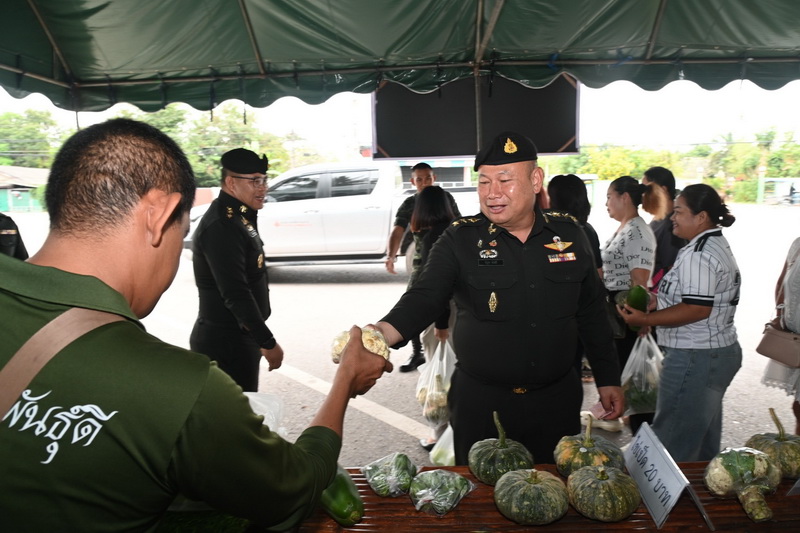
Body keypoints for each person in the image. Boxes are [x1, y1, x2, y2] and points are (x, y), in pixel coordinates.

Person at [0, 118, 392, 531]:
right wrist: (345, 380)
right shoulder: (179, 389)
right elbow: (294, 490)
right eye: (181, 231)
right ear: (158, 215)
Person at [372, 131, 623, 465]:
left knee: (552, 487)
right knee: (480, 494)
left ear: (535, 180)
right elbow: (424, 296)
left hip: (555, 402)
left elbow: (591, 312)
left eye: (505, 180)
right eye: (484, 182)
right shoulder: (460, 239)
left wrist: (608, 379)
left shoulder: (569, 233)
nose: (492, 193)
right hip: (481, 405)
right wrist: (378, 335)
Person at [619, 183, 741, 462]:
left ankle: (673, 492)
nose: (672, 217)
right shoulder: (708, 244)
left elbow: (697, 309)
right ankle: (699, 488)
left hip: (696, 357)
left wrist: (646, 318)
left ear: (701, 217)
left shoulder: (700, 254)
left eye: (679, 212)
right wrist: (657, 301)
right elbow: (694, 299)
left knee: (673, 443)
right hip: (710, 353)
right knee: (700, 440)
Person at [190, 148, 283, 392]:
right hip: (225, 343)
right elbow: (236, 292)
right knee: (234, 412)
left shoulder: (240, 216)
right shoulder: (222, 226)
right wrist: (267, 342)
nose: (263, 188)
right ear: (231, 182)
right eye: (255, 181)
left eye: (264, 180)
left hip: (240, 336)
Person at [384, 162, 461, 372]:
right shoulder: (410, 203)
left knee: (442, 301)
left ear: (434, 178)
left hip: (441, 256)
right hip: (421, 260)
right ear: (412, 181)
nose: (424, 182)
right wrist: (391, 255)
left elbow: (458, 221)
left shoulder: (444, 198)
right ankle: (417, 352)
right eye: (420, 179)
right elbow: (397, 230)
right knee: (415, 303)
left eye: (428, 178)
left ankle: (445, 352)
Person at [599, 176, 656, 433]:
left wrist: (639, 320)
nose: (606, 203)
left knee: (636, 385)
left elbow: (639, 281)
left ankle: (644, 441)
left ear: (624, 197)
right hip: (617, 312)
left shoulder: (637, 232)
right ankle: (638, 437)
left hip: (627, 315)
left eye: (609, 197)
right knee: (626, 380)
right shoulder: (625, 228)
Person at [408, 185, 457, 451]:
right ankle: (460, 428)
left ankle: (440, 436)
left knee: (439, 377)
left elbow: (438, 286)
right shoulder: (458, 231)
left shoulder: (433, 237)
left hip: (443, 314)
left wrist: (440, 323)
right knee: (457, 371)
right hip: (463, 311)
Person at [547, 174, 602, 387]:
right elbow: (597, 275)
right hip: (580, 316)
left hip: (552, 319)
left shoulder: (547, 230)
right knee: (572, 373)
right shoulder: (587, 230)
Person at [761, 236, 800, 434]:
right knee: (799, 408)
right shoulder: (798, 245)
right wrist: (780, 318)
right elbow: (781, 286)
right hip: (795, 340)